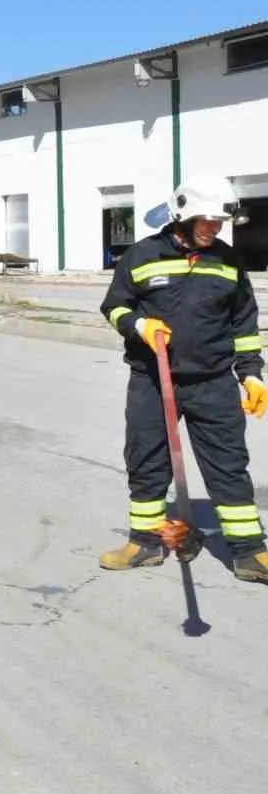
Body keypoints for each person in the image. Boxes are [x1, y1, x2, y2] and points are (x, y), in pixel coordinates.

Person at [98, 173, 268, 580]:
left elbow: (243, 323)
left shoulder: (227, 261)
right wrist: (139, 326)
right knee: (146, 460)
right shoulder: (142, 256)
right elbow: (114, 307)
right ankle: (146, 542)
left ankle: (249, 552)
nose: (215, 229)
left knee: (228, 464)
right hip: (153, 381)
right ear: (183, 218)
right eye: (207, 221)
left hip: (212, 382)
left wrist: (252, 375)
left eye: (220, 222)